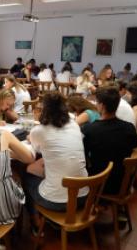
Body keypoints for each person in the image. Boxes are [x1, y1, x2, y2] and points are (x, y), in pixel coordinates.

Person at [24, 92, 88, 232]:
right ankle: (48, 220)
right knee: (50, 164)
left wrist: (32, 137)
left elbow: (35, 149)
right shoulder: (74, 124)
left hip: (56, 202)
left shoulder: (39, 131)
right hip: (84, 197)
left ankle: (35, 222)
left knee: (27, 176)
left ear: (43, 111)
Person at [81, 86, 137, 194]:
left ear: (101, 106)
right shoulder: (129, 127)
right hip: (122, 182)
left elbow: (83, 158)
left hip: (99, 182)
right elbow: (133, 150)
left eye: (96, 102)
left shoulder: (89, 129)